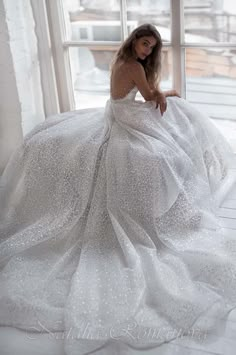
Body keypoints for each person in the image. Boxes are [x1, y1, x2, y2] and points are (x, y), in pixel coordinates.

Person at [0, 23, 236, 355]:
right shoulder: (133, 66)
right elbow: (150, 96)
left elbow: (140, 96)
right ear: (134, 41)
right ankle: (171, 202)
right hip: (125, 119)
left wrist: (161, 95)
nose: (147, 50)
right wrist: (167, 94)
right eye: (144, 44)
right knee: (175, 137)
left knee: (175, 128)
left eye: (151, 47)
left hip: (119, 113)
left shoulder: (122, 59)